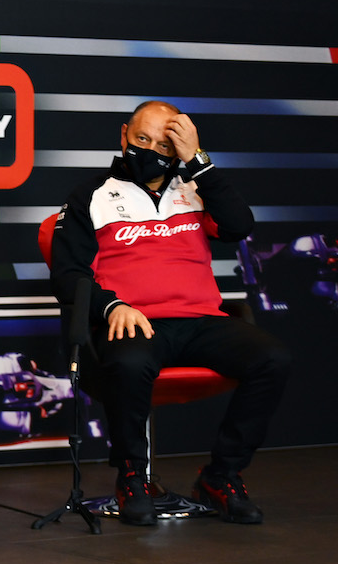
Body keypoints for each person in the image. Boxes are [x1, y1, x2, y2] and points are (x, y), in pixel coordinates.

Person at [50, 100, 290, 526]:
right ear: (123, 135)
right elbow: (69, 273)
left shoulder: (195, 189)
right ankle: (132, 478)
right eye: (141, 139)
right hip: (135, 322)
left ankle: (221, 476)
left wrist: (198, 163)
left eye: (164, 145)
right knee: (127, 362)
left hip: (202, 321)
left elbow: (238, 226)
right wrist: (112, 306)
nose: (149, 151)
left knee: (272, 358)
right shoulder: (91, 195)